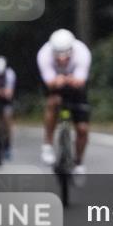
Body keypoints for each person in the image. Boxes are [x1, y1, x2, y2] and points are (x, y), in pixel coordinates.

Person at [37, 29, 92, 179]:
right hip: (55, 88)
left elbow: (80, 82)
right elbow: (49, 83)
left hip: (76, 89)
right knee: (53, 102)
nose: (62, 60)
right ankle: (47, 144)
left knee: (82, 129)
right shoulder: (44, 54)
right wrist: (61, 81)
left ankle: (79, 163)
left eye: (66, 57)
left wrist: (64, 79)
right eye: (58, 57)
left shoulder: (82, 52)